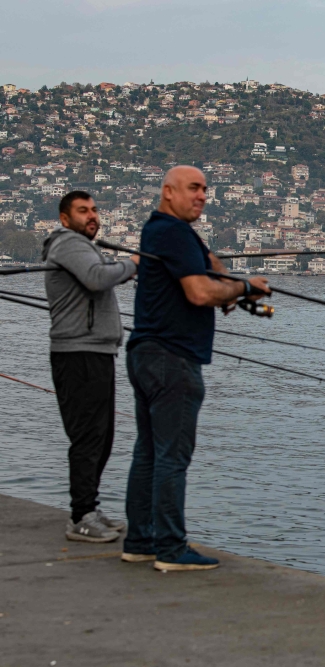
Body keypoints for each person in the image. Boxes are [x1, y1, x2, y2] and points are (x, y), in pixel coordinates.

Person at [122, 166, 269, 572]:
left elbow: (208, 264)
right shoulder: (172, 231)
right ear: (168, 192)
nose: (202, 195)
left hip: (145, 353)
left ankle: (140, 541)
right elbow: (200, 291)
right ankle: (171, 549)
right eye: (193, 188)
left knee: (149, 452)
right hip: (173, 359)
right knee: (172, 456)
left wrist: (231, 283)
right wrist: (244, 288)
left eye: (205, 189)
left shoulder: (164, 231)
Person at [42, 190, 139, 543]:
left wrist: (123, 268)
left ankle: (89, 506)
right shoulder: (68, 244)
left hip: (96, 351)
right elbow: (98, 278)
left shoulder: (82, 246)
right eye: (83, 211)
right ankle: (80, 515)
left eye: (95, 210)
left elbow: (98, 276)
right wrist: (133, 265)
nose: (92, 216)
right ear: (65, 219)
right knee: (87, 437)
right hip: (77, 353)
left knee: (103, 437)